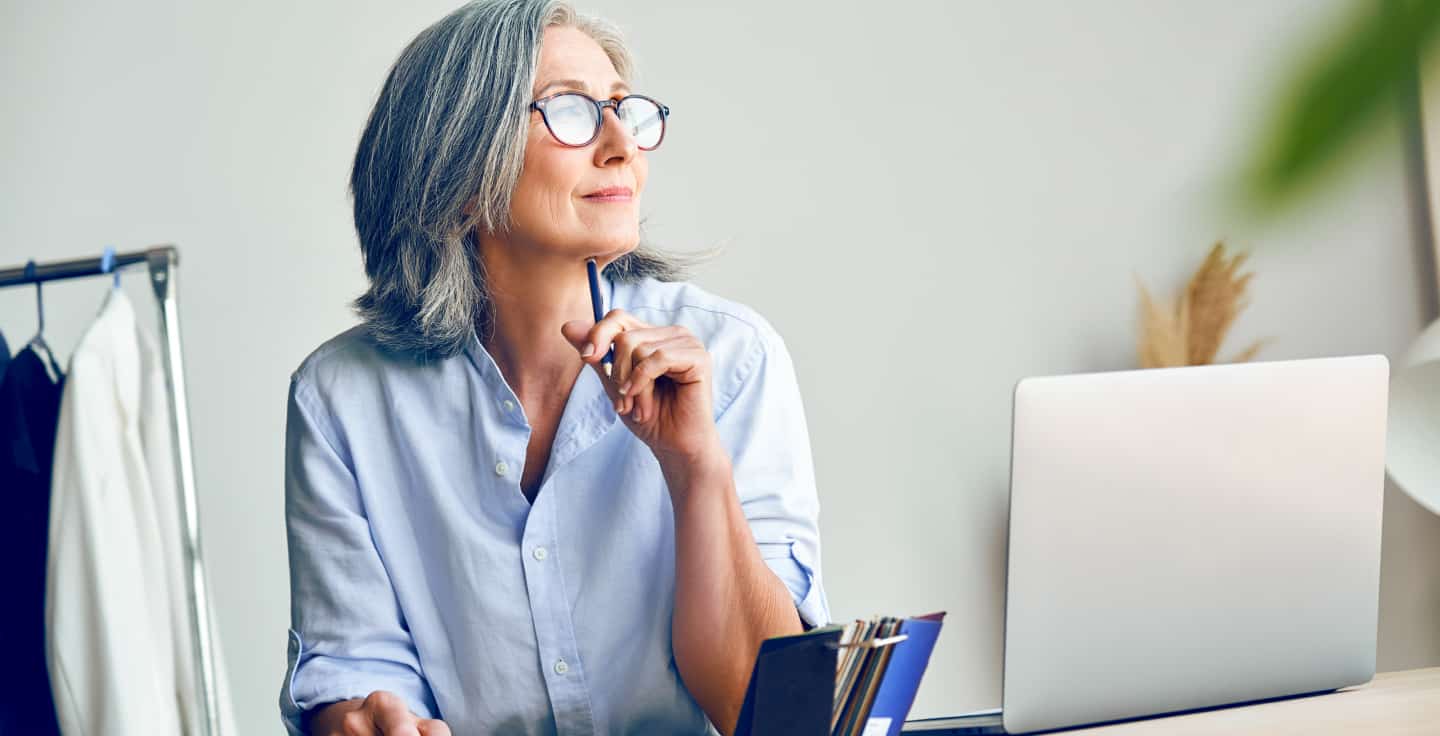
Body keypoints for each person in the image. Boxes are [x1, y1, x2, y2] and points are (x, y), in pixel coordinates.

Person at [279, 1, 829, 733]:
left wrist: (698, 469)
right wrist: (362, 718)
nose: (620, 146)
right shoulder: (341, 399)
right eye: (571, 112)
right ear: (459, 169)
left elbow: (768, 713)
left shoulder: (731, 359)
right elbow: (355, 669)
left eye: (622, 111)